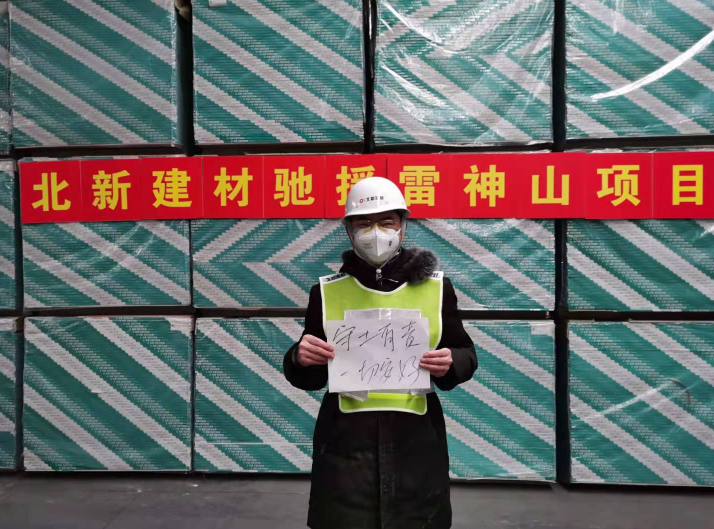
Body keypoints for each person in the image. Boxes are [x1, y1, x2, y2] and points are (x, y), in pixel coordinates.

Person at [283, 177, 478, 529]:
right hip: (347, 445)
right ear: (349, 231)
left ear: (402, 227)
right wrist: (299, 357)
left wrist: (452, 361)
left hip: (415, 440)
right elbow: (311, 374)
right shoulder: (325, 293)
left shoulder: (436, 289)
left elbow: (466, 353)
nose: (376, 233)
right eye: (364, 223)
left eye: (387, 222)